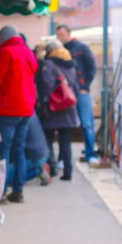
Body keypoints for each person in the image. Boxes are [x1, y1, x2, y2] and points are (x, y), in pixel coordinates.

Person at [0, 25, 38, 203]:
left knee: (3, 149)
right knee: (19, 149)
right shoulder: (28, 52)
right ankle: (19, 190)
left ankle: (2, 191)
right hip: (27, 108)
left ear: (2, 39)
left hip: (9, 107)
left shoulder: (7, 52)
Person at [36, 39, 82, 181]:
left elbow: (47, 85)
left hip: (53, 108)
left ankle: (53, 169)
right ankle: (68, 172)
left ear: (50, 51)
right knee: (65, 141)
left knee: (48, 139)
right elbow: (75, 88)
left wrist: (43, 104)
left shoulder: (49, 64)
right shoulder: (71, 65)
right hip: (68, 108)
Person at [55, 24, 98, 164]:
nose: (60, 37)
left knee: (87, 124)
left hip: (80, 92)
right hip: (64, 94)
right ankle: (63, 158)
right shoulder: (58, 50)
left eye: (62, 34)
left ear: (68, 33)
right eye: (58, 35)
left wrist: (85, 86)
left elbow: (91, 68)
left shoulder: (81, 48)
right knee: (64, 127)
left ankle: (91, 154)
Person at [22, 113, 51, 186]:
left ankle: (38, 171)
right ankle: (39, 168)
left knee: (4, 177)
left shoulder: (18, 115)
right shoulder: (29, 110)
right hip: (40, 153)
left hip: (34, 156)